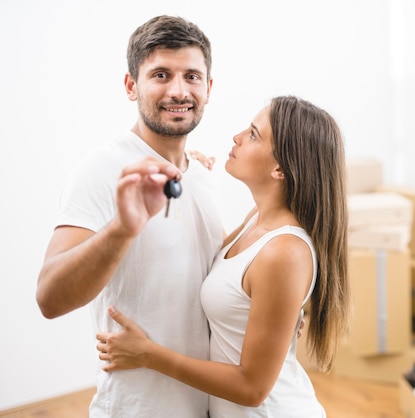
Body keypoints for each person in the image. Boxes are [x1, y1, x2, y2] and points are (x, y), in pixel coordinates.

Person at [95, 95, 351, 417]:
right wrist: (186, 174)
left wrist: (148, 355)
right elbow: (216, 262)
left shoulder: (283, 253)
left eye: (254, 134)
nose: (237, 137)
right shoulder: (256, 219)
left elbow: (252, 389)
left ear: (280, 170)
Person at [36, 15, 223, 417]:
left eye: (192, 76)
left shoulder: (202, 175)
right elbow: (49, 298)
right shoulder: (103, 169)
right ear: (131, 86)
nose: (178, 90)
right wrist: (122, 230)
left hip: (211, 405)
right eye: (160, 74)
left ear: (208, 89)